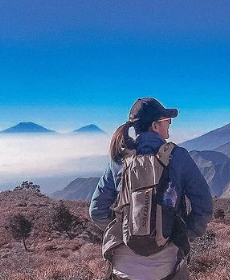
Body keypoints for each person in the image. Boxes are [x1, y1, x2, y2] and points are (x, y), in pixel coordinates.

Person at [90, 97, 213, 280]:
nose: (170, 125)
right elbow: (204, 207)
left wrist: (124, 231)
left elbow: (96, 210)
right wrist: (181, 235)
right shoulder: (178, 157)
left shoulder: (119, 160)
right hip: (167, 265)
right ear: (155, 126)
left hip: (123, 267)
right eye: (167, 121)